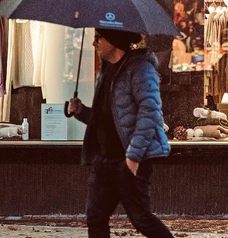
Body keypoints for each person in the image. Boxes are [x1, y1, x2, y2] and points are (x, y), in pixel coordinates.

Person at [68, 28, 173, 238]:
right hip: (105, 159)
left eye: (98, 38)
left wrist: (133, 158)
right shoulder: (106, 70)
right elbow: (106, 118)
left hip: (129, 159)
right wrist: (81, 112)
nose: (94, 44)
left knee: (141, 218)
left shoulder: (141, 69)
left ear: (113, 40)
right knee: (96, 217)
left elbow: (150, 114)